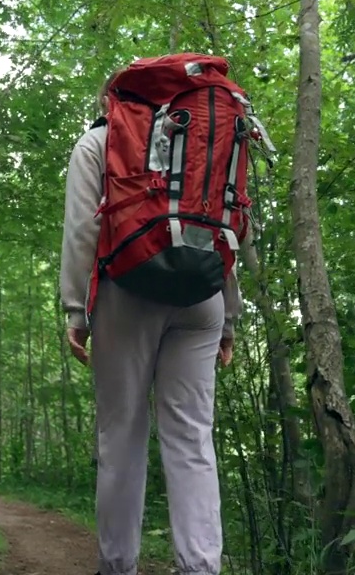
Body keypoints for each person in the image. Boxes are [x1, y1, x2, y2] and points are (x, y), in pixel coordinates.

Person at [60, 72, 239, 575]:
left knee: (122, 435)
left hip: (128, 292)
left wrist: (77, 309)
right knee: (192, 438)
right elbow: (221, 228)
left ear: (112, 99)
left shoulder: (99, 141)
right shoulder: (201, 145)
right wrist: (230, 317)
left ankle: (117, 566)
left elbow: (82, 228)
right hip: (203, 300)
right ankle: (201, 567)